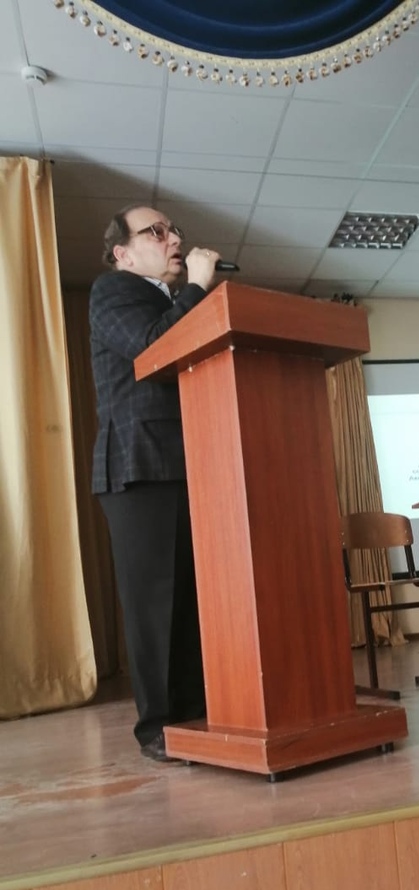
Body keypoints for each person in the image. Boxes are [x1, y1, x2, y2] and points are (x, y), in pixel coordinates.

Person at [89, 205, 224, 761]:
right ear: (122, 253)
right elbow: (153, 346)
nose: (173, 239)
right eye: (157, 231)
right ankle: (160, 728)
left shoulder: (174, 300)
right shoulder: (113, 291)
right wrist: (196, 287)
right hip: (140, 467)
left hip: (191, 464)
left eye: (175, 231)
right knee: (156, 603)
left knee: (191, 598)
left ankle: (195, 713)